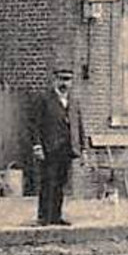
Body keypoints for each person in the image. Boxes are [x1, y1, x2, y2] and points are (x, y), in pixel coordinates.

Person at [30, 66, 85, 227]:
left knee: (60, 184)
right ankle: (43, 217)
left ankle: (56, 216)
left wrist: (82, 148)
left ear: (72, 82)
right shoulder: (44, 99)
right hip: (49, 148)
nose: (64, 83)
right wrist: (37, 146)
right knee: (48, 182)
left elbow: (79, 125)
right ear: (55, 80)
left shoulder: (74, 102)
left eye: (68, 80)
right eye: (61, 79)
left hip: (67, 149)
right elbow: (34, 125)